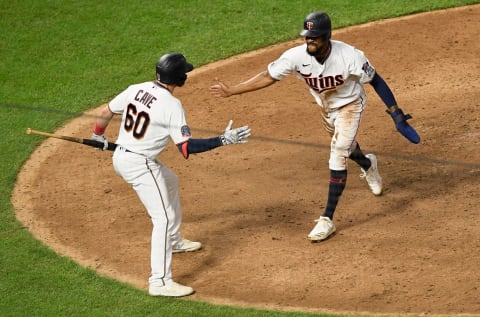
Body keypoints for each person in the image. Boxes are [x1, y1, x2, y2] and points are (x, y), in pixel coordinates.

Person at [209, 12, 419, 242]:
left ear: (327, 37)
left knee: (338, 153)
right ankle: (368, 164)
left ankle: (326, 219)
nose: (310, 41)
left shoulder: (350, 56)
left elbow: (376, 80)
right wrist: (232, 91)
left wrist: (396, 113)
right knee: (346, 147)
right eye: (307, 36)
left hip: (350, 105)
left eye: (315, 37)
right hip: (326, 108)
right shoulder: (296, 56)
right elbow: (268, 76)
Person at [91, 52, 251, 297]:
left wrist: (98, 136)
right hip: (140, 165)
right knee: (162, 218)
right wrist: (222, 139)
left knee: (171, 181)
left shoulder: (137, 88)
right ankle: (160, 281)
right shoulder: (172, 105)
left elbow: (106, 111)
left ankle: (174, 241)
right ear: (179, 77)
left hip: (122, 157)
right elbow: (186, 149)